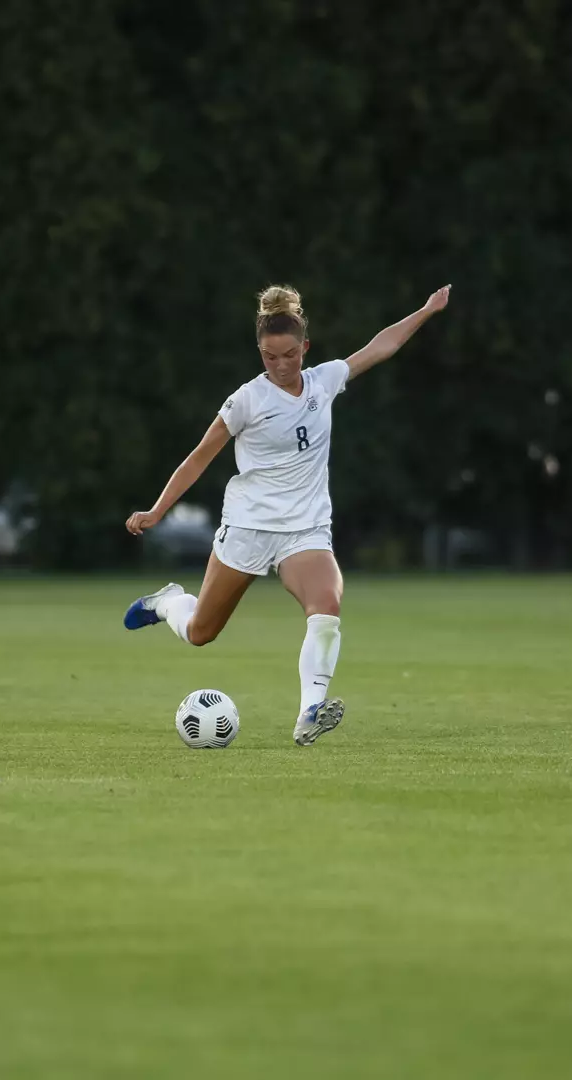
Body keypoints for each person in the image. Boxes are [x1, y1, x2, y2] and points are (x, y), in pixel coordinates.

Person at [122, 283, 452, 746]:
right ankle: (167, 601)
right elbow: (199, 457)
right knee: (201, 633)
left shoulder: (324, 381)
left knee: (327, 605)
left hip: (305, 530)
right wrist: (157, 511)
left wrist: (425, 310)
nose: (280, 366)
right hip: (248, 527)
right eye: (269, 357)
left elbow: (383, 346)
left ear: (306, 349)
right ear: (259, 352)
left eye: (290, 355)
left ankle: (308, 713)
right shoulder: (246, 400)